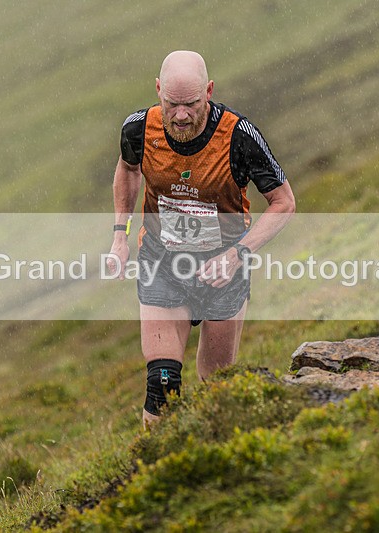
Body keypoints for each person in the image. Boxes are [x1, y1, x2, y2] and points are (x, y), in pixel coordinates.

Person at [107, 51, 295, 428]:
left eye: (191, 104)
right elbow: (128, 169)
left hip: (223, 271)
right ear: (158, 90)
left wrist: (237, 255)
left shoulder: (239, 137)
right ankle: (156, 460)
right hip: (162, 264)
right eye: (171, 104)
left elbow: (284, 203)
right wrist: (119, 235)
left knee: (217, 386)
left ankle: (217, 453)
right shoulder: (138, 129)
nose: (181, 115)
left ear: (208, 91)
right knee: (162, 388)